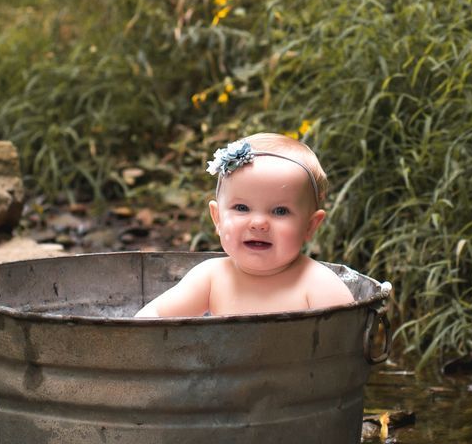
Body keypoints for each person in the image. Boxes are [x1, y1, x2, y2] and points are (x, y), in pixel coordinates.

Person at [136, 133, 356, 317]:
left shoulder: (318, 284)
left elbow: (345, 349)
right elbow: (153, 319)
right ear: (218, 219)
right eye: (241, 208)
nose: (259, 223)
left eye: (280, 211)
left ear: (310, 226)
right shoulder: (211, 277)